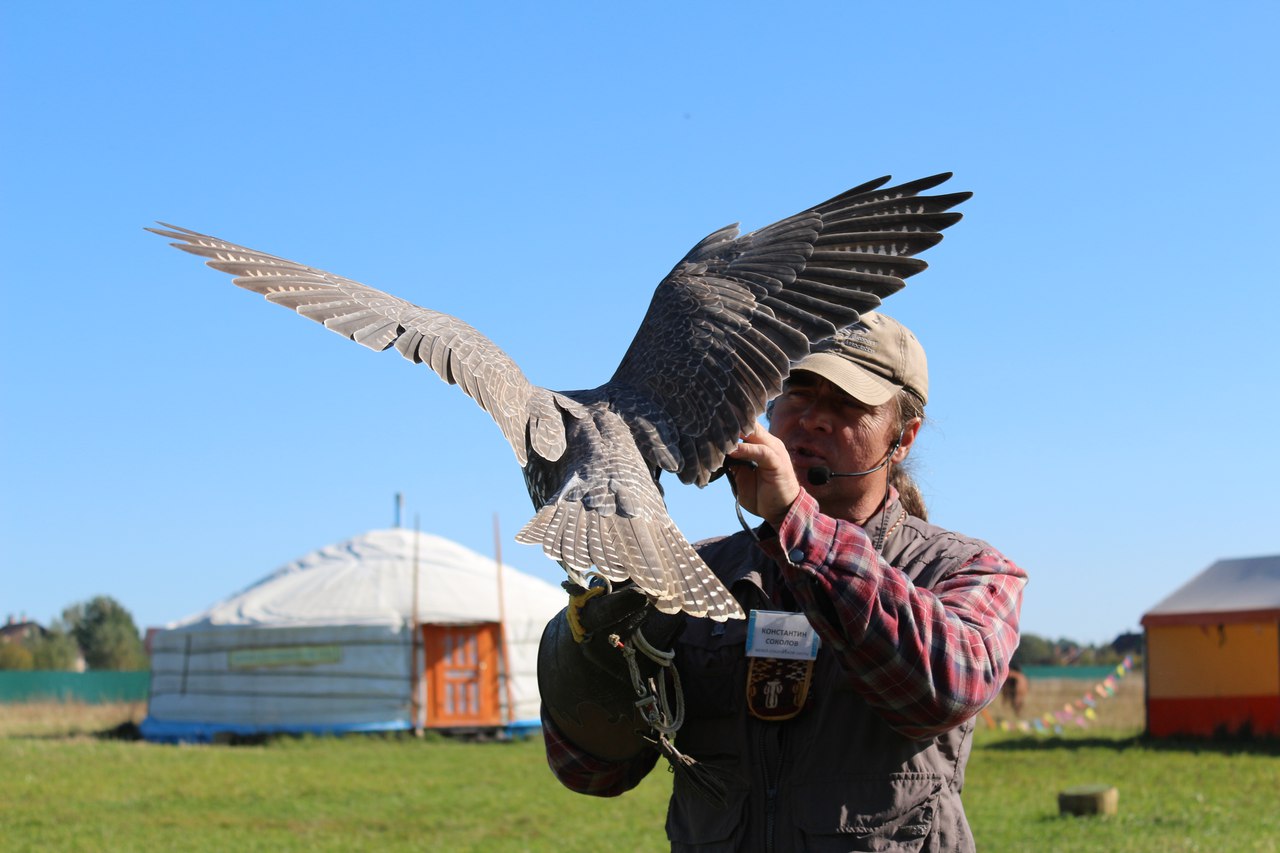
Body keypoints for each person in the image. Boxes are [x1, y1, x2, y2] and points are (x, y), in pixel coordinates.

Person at [537, 312, 1027, 852]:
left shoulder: (964, 569)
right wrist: (585, 653)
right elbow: (592, 773)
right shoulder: (692, 574)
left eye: (847, 402)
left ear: (903, 437)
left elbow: (944, 689)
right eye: (796, 392)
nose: (813, 419)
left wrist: (799, 524)